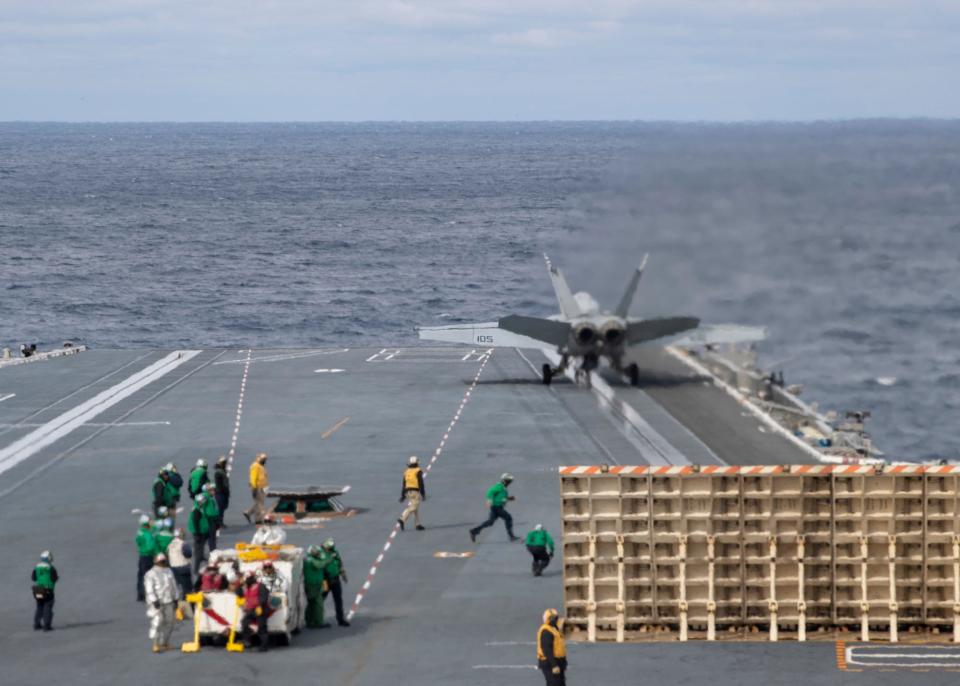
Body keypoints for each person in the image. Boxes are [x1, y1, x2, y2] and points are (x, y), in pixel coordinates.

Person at [144, 553, 179, 653]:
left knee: (170, 622)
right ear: (156, 562)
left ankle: (164, 642)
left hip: (168, 601)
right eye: (162, 561)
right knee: (157, 622)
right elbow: (149, 589)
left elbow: (174, 585)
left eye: (164, 561)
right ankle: (155, 643)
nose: (164, 563)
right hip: (157, 602)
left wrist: (176, 598)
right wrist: (154, 600)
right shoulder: (150, 574)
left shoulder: (168, 571)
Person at [469, 473, 519, 543]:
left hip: (497, 507)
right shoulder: (499, 487)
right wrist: (489, 500)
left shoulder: (502, 487)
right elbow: (489, 492)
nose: (509, 483)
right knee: (508, 518)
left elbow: (500, 497)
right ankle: (511, 537)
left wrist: (509, 498)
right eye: (508, 481)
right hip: (496, 507)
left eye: (510, 481)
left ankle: (474, 531)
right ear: (504, 480)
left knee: (490, 522)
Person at [319, 538, 349, 627]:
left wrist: (343, 574)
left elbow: (339, 563)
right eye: (329, 547)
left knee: (338, 600)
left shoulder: (334, 552)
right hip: (325, 581)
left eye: (332, 547)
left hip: (335, 580)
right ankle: (318, 620)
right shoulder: (320, 553)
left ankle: (340, 619)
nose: (331, 548)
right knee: (320, 600)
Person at [238, 572, 270, 651]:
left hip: (260, 609)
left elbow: (264, 597)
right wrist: (239, 585)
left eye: (248, 579)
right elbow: (239, 594)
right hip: (250, 610)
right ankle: (247, 641)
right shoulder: (246, 587)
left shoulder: (261, 586)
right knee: (244, 623)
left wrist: (259, 605)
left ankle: (264, 646)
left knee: (261, 627)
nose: (246, 580)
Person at [537, 609, 567, 685]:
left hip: (558, 661)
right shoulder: (546, 632)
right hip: (549, 662)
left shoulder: (554, 629)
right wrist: (554, 665)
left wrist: (563, 662)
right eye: (553, 618)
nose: (555, 619)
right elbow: (547, 650)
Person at [303, 545, 329, 629]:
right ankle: (318, 622)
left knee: (311, 603)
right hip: (314, 584)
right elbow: (320, 565)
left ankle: (309, 621)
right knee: (318, 603)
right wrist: (328, 559)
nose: (318, 554)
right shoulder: (312, 560)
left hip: (310, 584)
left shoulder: (306, 558)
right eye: (317, 553)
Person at [31, 550, 58, 631]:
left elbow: (33, 578)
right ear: (49, 558)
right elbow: (54, 578)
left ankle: (37, 624)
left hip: (38, 589)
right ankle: (47, 626)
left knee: (39, 607)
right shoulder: (51, 568)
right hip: (48, 590)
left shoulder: (37, 567)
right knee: (48, 607)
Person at [397, 455, 426, 531]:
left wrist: (403, 495)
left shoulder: (406, 471)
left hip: (407, 492)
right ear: (417, 462)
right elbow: (421, 483)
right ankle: (402, 519)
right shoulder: (418, 471)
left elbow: (403, 484)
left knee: (415, 508)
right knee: (414, 507)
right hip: (415, 492)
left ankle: (417, 524)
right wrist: (423, 494)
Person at [187, 494, 211, 574]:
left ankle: (201, 558)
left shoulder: (199, 508)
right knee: (198, 550)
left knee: (200, 548)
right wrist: (197, 534)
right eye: (203, 501)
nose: (204, 503)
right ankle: (196, 569)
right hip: (199, 533)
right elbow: (195, 523)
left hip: (201, 532)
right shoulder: (197, 511)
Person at [166, 529, 193, 600]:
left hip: (173, 568)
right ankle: (185, 601)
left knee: (176, 585)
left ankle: (176, 600)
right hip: (183, 567)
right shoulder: (183, 544)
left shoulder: (170, 544)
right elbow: (188, 554)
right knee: (187, 587)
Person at [135, 515, 157, 602]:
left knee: (141, 575)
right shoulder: (147, 534)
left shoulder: (140, 531)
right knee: (148, 576)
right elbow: (150, 547)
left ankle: (140, 595)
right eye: (150, 521)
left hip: (142, 556)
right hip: (148, 557)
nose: (151, 522)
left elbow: (138, 541)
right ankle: (147, 595)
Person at [244, 453, 269, 524]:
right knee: (260, 505)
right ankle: (258, 519)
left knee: (259, 504)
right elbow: (253, 478)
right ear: (259, 459)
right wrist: (254, 488)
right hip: (257, 488)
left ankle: (250, 514)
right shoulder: (255, 466)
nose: (265, 461)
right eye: (263, 459)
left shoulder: (260, 466)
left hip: (262, 487)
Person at [202, 483, 220, 551]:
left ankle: (212, 551)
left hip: (211, 520)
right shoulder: (206, 498)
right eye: (212, 490)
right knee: (211, 538)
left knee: (212, 538)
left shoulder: (209, 498)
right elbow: (209, 511)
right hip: (210, 520)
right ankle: (212, 551)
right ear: (208, 491)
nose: (214, 492)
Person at [213, 455, 230, 528]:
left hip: (223, 492)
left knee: (223, 507)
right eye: (224, 462)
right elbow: (220, 484)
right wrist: (225, 490)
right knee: (220, 508)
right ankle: (219, 522)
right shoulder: (218, 472)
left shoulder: (222, 470)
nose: (225, 464)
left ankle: (219, 521)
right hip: (220, 492)